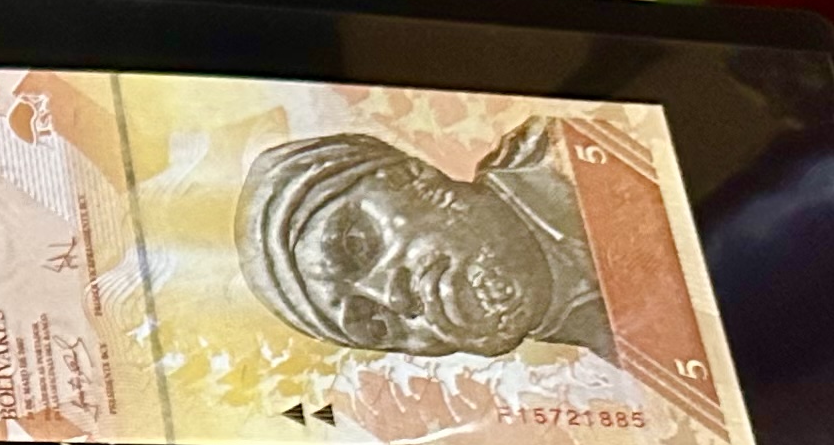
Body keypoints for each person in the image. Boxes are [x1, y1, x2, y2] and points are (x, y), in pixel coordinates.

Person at [239, 120, 613, 360]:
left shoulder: (588, 136)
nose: (393, 298)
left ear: (408, 176)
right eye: (376, 325)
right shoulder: (625, 350)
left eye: (358, 245)